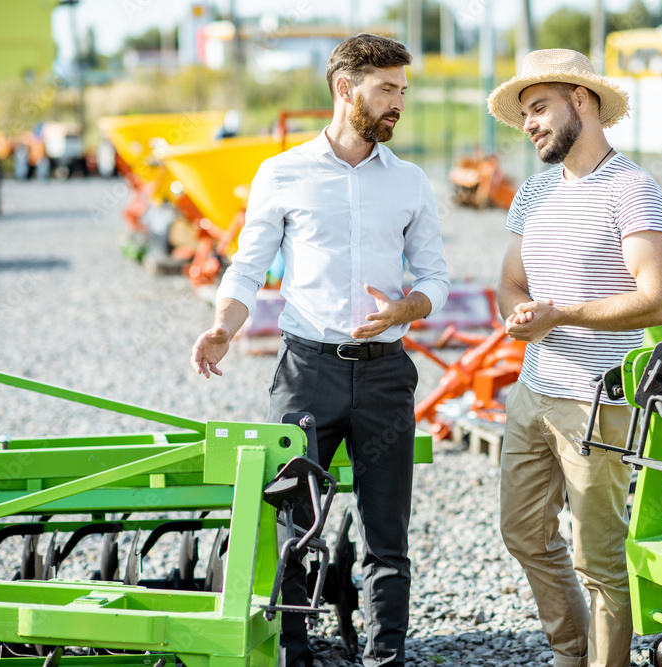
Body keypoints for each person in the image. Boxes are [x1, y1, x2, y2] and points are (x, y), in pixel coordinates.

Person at [190, 33, 449, 667]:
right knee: (291, 529)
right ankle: (295, 655)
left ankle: (385, 658)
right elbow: (246, 269)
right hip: (306, 374)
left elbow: (435, 277)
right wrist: (224, 326)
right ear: (345, 88)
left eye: (402, 92)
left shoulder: (411, 182)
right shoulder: (282, 173)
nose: (398, 104)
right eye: (386, 90)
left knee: (387, 536)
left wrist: (408, 308)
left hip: (387, 375)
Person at [487, 49, 662, 667]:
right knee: (521, 532)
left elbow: (658, 301)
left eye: (539, 108)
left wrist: (560, 313)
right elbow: (510, 281)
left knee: (597, 560)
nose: (531, 124)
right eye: (524, 116)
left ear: (582, 100)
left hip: (599, 402)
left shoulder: (633, 190)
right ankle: (571, 649)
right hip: (533, 389)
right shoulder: (534, 192)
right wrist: (519, 314)